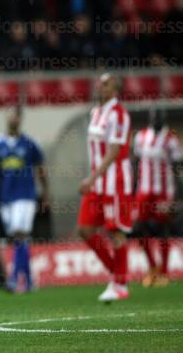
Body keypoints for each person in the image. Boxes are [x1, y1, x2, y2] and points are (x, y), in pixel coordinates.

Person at [77, 73, 134, 302]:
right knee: (85, 230)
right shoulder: (95, 112)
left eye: (106, 84)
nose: (100, 86)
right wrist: (93, 179)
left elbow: (114, 151)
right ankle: (118, 274)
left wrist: (91, 178)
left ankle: (120, 285)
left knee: (115, 231)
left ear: (115, 89)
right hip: (97, 183)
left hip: (114, 182)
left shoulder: (119, 114)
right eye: (99, 83)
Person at [0, 107, 48, 293]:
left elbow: (41, 169)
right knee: (17, 237)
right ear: (6, 117)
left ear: (20, 119)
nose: (13, 119)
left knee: (20, 233)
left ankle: (13, 279)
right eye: (10, 115)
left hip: (26, 195)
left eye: (16, 116)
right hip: (6, 198)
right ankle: (28, 281)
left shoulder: (30, 143)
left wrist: (45, 193)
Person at [133, 110, 183, 287]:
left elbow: (177, 169)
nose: (155, 119)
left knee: (164, 230)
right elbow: (136, 162)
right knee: (138, 227)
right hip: (144, 190)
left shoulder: (171, 139)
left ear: (164, 119)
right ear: (150, 118)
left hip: (164, 191)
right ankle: (153, 268)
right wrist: (133, 189)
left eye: (159, 116)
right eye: (153, 116)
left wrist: (176, 197)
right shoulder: (140, 136)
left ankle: (164, 273)